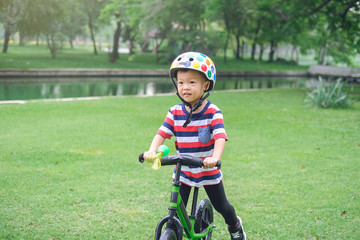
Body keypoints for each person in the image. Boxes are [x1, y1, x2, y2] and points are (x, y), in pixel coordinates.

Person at [143, 52, 246, 240]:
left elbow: (220, 137)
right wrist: (151, 151)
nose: (185, 87)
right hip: (183, 170)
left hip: (207, 169)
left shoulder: (213, 112)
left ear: (205, 85)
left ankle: (235, 226)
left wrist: (214, 157)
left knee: (221, 206)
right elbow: (161, 134)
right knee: (176, 207)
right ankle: (175, 231)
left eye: (192, 82)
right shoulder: (174, 112)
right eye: (181, 82)